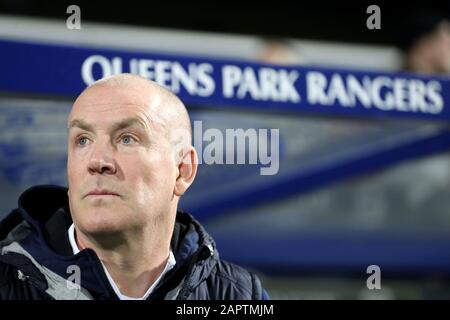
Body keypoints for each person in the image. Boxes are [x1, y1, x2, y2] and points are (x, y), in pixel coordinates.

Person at [0, 74, 268, 300]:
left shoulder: (239, 295)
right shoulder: (7, 280)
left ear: (182, 170)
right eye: (82, 140)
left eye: (127, 139)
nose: (97, 161)